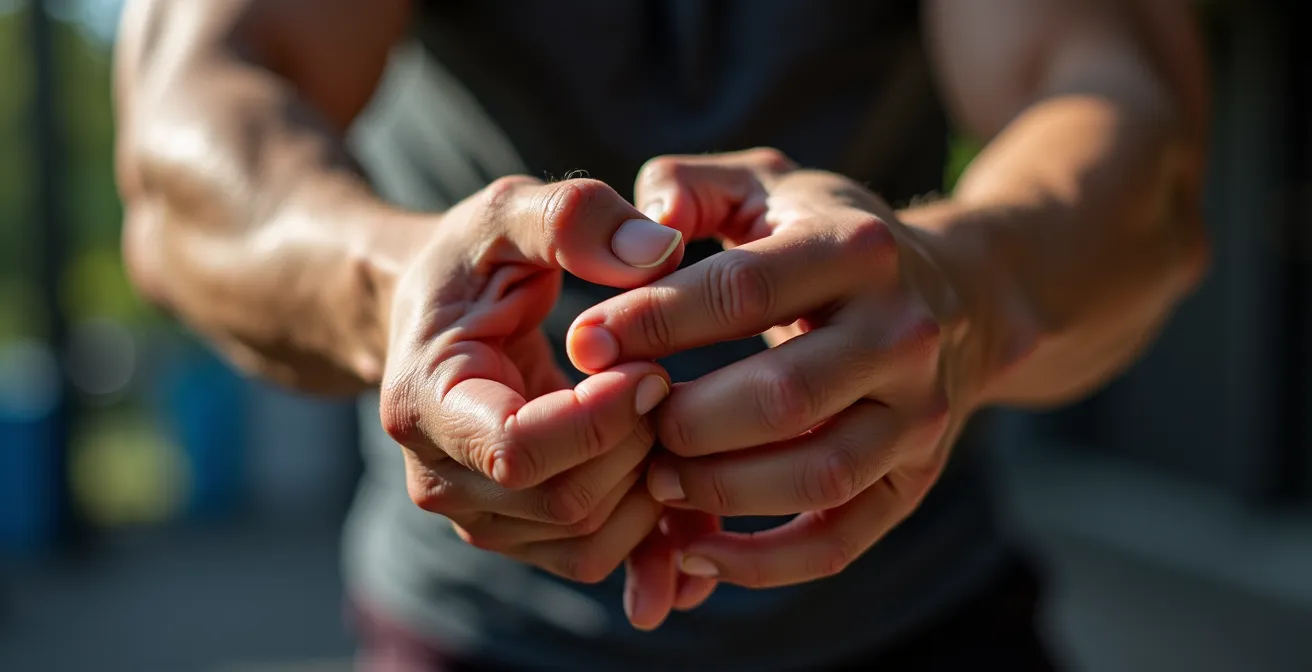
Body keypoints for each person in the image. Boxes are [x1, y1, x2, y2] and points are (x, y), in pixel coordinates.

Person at [113, 0, 1208, 669]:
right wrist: (396, 290)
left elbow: (1129, 131)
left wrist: (954, 290)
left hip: (920, 614)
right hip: (478, 631)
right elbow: (187, 150)